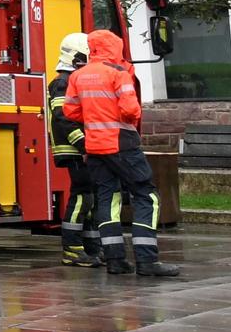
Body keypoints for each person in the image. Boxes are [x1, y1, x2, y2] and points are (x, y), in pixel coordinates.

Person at [65, 29, 179, 278]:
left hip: (95, 147)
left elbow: (71, 112)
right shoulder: (119, 74)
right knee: (146, 196)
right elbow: (131, 111)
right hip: (122, 144)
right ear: (114, 48)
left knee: (107, 199)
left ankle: (115, 260)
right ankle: (147, 261)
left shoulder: (78, 76)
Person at [47, 32, 101, 266]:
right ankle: (72, 249)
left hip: (80, 148)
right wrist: (83, 143)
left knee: (89, 199)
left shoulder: (73, 80)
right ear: (77, 57)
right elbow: (62, 118)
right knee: (81, 197)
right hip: (73, 149)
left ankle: (91, 248)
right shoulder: (62, 83)